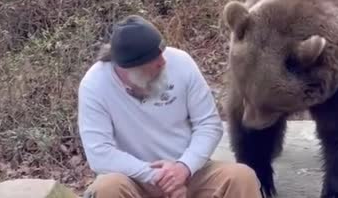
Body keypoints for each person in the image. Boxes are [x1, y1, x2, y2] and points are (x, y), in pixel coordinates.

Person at [78, 15, 263, 198]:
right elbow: (100, 154)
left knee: (242, 177)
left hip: (190, 172)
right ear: (130, 68)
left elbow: (209, 125)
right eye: (155, 60)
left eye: (162, 53)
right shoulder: (95, 85)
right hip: (134, 180)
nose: (163, 62)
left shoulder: (181, 62)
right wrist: (157, 176)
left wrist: (184, 168)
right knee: (106, 188)